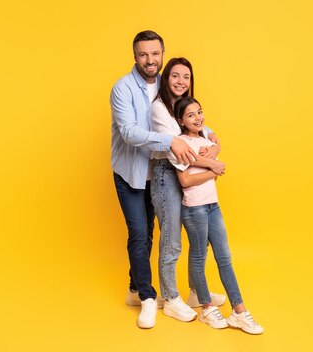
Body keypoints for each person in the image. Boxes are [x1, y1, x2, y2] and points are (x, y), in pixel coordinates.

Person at [110, 30, 196, 329]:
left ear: (162, 54)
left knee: (163, 232)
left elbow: (184, 116)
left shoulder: (167, 83)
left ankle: (135, 289)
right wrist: (170, 141)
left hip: (160, 174)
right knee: (140, 233)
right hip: (131, 173)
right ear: (135, 56)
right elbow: (130, 133)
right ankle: (148, 297)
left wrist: (207, 133)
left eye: (155, 54)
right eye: (144, 54)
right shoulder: (122, 88)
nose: (150, 60)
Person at [171, 96, 264, 334]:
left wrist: (213, 153)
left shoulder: (205, 141)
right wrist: (213, 170)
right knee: (199, 257)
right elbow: (185, 180)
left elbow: (212, 159)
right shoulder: (179, 144)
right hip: (194, 208)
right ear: (181, 120)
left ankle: (239, 311)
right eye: (190, 115)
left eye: (199, 112)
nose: (197, 118)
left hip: (213, 205)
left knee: (224, 257)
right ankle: (206, 307)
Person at [149, 57, 227, 323]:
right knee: (171, 238)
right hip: (166, 173)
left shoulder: (185, 106)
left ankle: (197, 291)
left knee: (199, 238)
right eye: (175, 76)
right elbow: (182, 152)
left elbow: (206, 130)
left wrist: (214, 145)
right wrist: (215, 163)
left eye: (186, 77)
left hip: (190, 172)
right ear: (165, 78)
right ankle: (171, 298)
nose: (181, 82)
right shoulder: (160, 108)